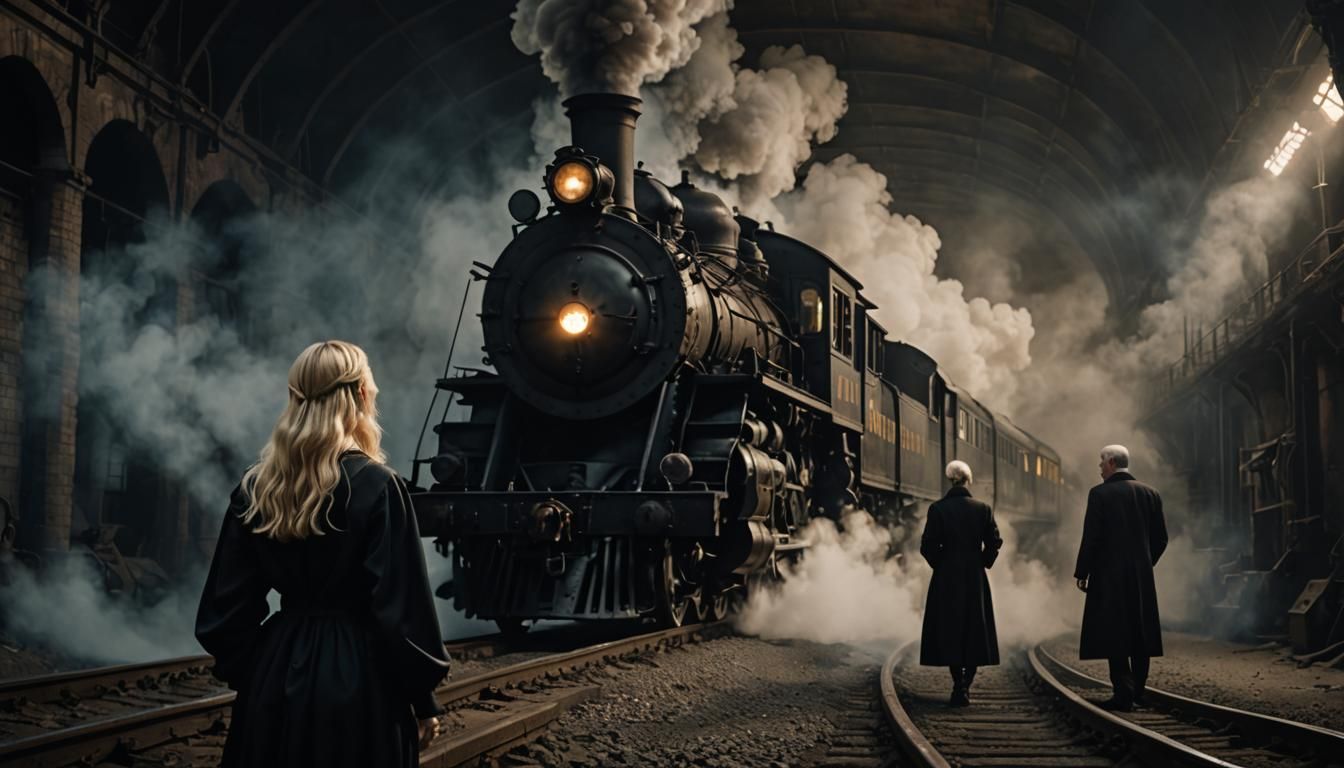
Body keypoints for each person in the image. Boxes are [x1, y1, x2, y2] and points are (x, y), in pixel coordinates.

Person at [196, 340, 451, 767]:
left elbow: (224, 615)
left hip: (276, 679)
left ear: (295, 399)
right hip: (364, 686)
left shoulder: (256, 489)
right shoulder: (378, 486)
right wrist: (422, 699)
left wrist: (264, 672)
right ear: (359, 397)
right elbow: (401, 614)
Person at [1073, 444, 1167, 712]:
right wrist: (1146, 563)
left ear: (1112, 463)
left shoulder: (1100, 494)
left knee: (1115, 633)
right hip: (1141, 576)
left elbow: (1092, 537)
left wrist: (1083, 572)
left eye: (1102, 463)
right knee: (1141, 632)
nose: (1099, 468)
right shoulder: (1151, 494)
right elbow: (1161, 538)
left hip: (1108, 575)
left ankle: (1122, 692)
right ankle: (1138, 691)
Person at [919, 460, 1003, 706]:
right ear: (969, 480)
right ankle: (966, 685)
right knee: (975, 628)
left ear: (950, 480)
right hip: (974, 576)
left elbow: (927, 546)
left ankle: (958, 683)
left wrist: (941, 564)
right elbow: (995, 542)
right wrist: (983, 562)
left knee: (951, 629)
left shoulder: (938, 509)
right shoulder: (983, 508)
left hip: (947, 577)